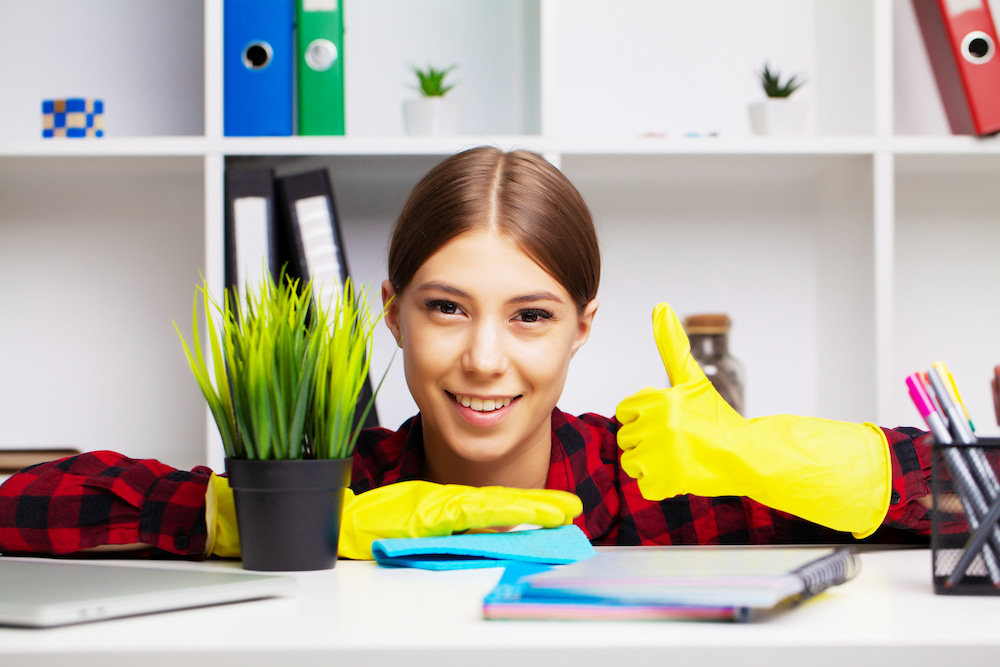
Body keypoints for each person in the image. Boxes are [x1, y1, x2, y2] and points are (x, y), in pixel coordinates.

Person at [0, 146, 941, 561]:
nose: (485, 358)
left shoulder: (661, 481)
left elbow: (979, 501)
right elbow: (23, 506)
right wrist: (267, 522)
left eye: (530, 316)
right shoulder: (348, 489)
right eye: (447, 307)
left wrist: (786, 458)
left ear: (584, 326)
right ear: (393, 313)